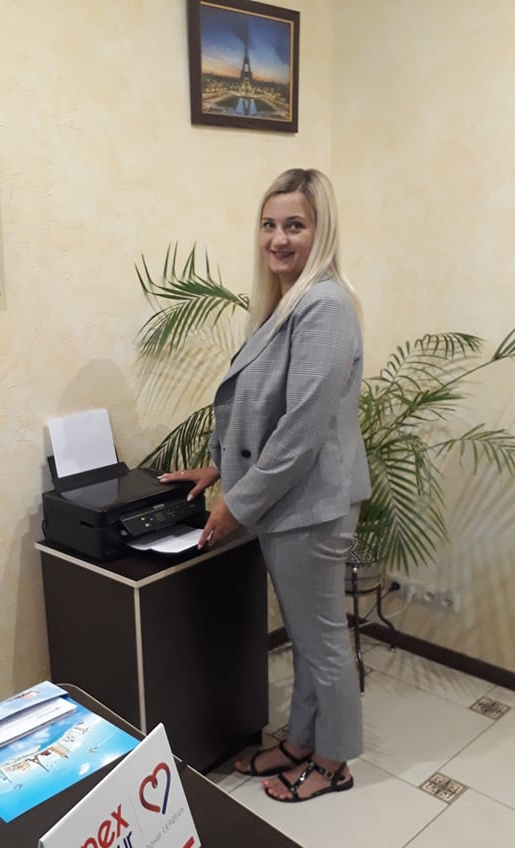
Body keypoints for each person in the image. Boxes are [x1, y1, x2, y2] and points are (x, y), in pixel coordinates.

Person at [159, 168, 370, 803]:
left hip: (311, 505)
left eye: (295, 225)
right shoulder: (284, 302)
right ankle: (301, 741)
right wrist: (219, 466)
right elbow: (258, 408)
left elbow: (301, 430)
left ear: (321, 231)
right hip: (290, 502)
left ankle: (333, 761)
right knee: (307, 637)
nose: (278, 238)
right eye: (269, 224)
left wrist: (236, 505)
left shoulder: (325, 305)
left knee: (321, 640)